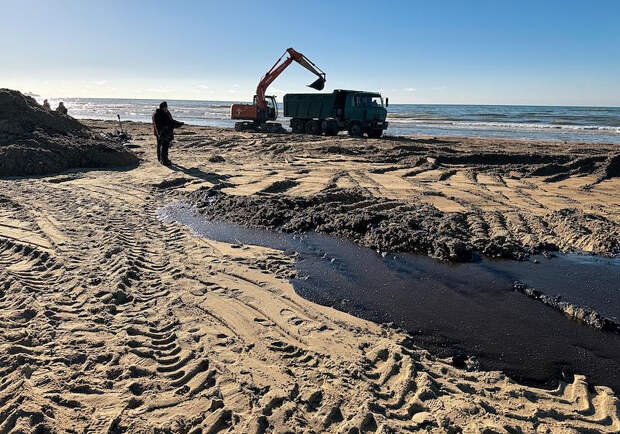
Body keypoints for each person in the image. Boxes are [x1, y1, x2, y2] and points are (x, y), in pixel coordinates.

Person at [152, 101, 184, 166]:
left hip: (159, 132)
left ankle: (161, 159)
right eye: (165, 107)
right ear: (163, 107)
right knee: (164, 147)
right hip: (164, 133)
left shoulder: (157, 113)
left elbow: (169, 121)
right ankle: (164, 161)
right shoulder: (160, 114)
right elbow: (170, 122)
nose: (166, 108)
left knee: (160, 146)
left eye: (166, 107)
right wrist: (179, 124)